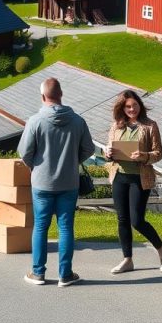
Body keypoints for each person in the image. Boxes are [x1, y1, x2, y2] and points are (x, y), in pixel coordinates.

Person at [18, 77, 95, 287]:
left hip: (42, 183)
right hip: (69, 183)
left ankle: (38, 273)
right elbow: (89, 149)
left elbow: (24, 153)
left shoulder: (35, 121)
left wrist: (36, 166)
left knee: (41, 227)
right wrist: (72, 161)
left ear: (43, 96)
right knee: (66, 228)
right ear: (61, 94)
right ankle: (65, 274)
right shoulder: (78, 121)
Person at [102, 90, 162, 274]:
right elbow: (107, 150)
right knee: (122, 219)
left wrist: (144, 156)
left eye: (134, 105)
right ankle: (127, 260)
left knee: (137, 220)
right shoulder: (116, 126)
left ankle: (161, 247)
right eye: (127, 106)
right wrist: (107, 153)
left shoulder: (150, 126)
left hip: (140, 178)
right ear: (122, 108)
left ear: (140, 105)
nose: (131, 109)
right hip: (119, 176)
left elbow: (158, 153)